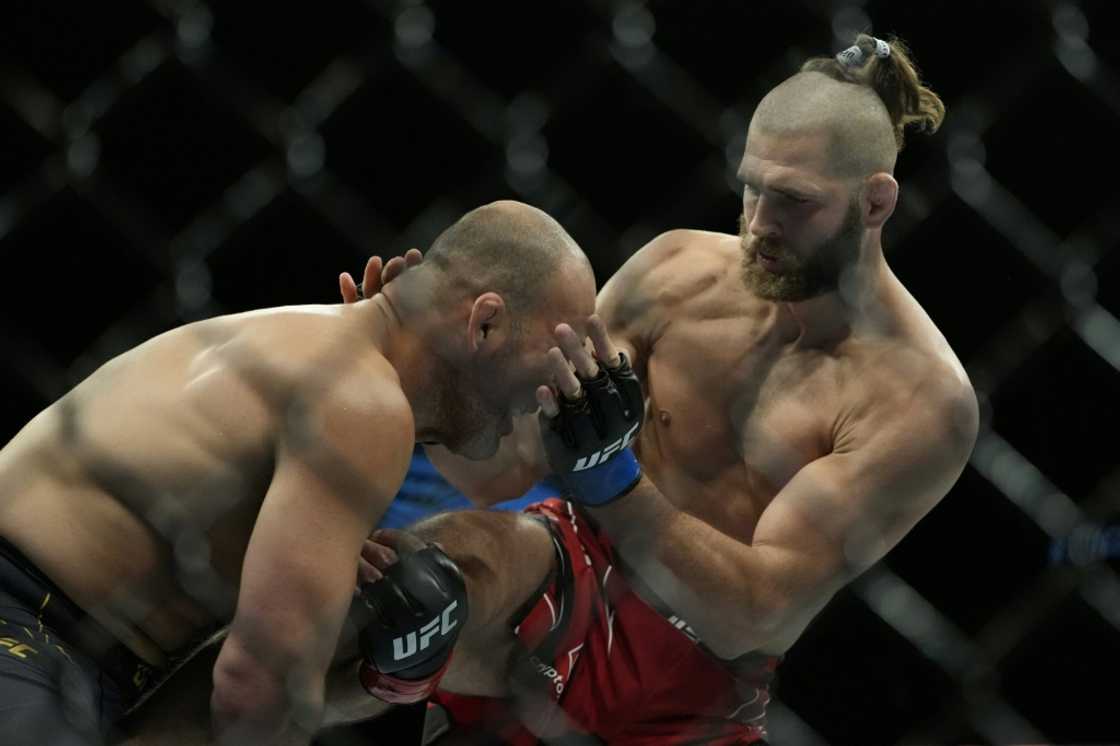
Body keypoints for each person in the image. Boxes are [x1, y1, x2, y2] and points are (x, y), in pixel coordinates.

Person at [344, 33, 979, 744]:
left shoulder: (922, 400)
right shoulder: (676, 273)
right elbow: (510, 463)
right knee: (417, 579)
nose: (760, 224)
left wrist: (613, 479)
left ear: (875, 202)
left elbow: (759, 610)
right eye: (751, 187)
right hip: (573, 563)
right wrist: (418, 376)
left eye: (794, 200)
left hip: (698, 677)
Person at [0, 200, 598, 745]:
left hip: (76, 655)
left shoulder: (334, 360)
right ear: (485, 323)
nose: (554, 392)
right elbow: (255, 691)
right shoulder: (361, 402)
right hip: (24, 614)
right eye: (554, 355)